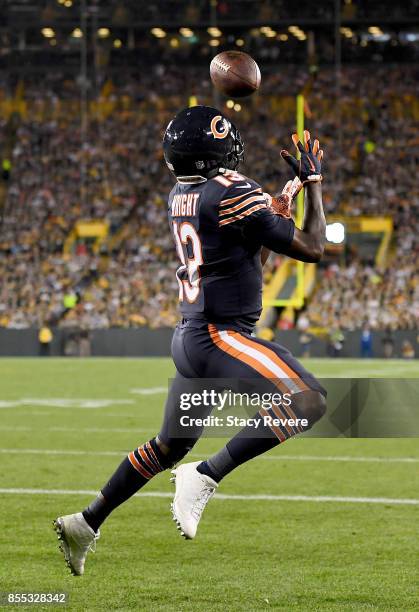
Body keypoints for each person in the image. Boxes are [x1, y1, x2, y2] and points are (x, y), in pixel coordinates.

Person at [54, 106, 327, 575]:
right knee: (308, 401)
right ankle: (206, 475)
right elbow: (314, 248)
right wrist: (315, 186)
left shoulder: (181, 193)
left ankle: (87, 520)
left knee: (168, 447)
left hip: (189, 338)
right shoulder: (234, 192)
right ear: (213, 151)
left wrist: (274, 213)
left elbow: (245, 256)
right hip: (219, 336)